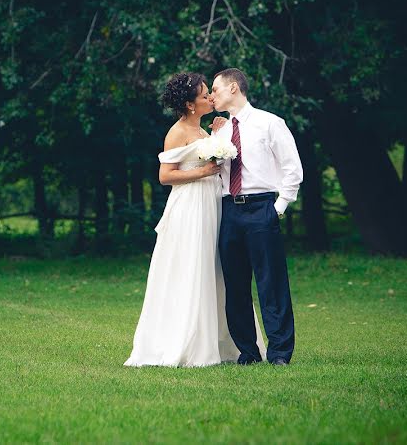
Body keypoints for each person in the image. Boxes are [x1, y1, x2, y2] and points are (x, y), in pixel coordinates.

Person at [125, 72, 265, 367]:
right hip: (190, 208)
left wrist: (218, 133)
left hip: (213, 204)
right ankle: (187, 341)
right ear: (190, 105)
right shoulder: (177, 132)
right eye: (204, 95)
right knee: (192, 267)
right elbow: (165, 176)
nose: (210, 98)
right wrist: (201, 173)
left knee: (217, 269)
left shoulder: (204, 131)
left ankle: (228, 343)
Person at [209, 68, 303, 366]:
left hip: (262, 207)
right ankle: (247, 352)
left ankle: (279, 353)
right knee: (235, 285)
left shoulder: (270, 123)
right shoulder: (220, 132)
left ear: (233, 88)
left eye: (216, 89)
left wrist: (279, 206)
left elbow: (292, 168)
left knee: (270, 282)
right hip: (228, 210)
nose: (212, 95)